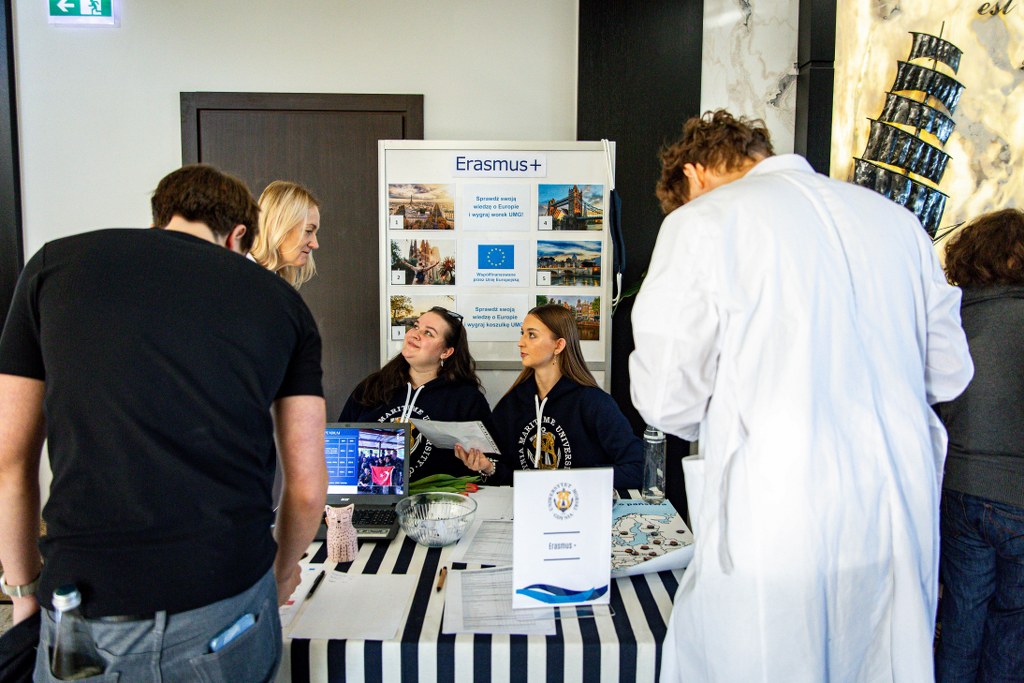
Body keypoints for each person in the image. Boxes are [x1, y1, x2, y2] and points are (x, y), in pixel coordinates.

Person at [628, 110, 973, 682]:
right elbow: (949, 371)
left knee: (769, 660)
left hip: (779, 510)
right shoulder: (897, 222)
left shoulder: (703, 222)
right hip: (894, 505)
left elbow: (667, 400)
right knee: (880, 660)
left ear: (693, 175)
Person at [0, 164, 328, 682]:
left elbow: (9, 461)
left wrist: (22, 591)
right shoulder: (280, 302)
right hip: (222, 594)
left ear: (159, 218)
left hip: (83, 598)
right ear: (238, 235)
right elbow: (307, 488)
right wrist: (282, 575)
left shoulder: (52, 266)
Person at [933, 208, 1024, 682]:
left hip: (959, 489)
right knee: (1012, 630)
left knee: (960, 621)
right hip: (1018, 498)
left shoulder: (950, 319)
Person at [475, 304, 642, 488]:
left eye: (532, 335)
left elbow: (638, 468)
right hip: (525, 504)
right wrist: (488, 467)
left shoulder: (593, 402)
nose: (521, 342)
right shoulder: (513, 402)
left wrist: (576, 479)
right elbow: (510, 474)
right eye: (522, 333)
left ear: (559, 345)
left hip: (575, 503)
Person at [339, 306, 494, 480]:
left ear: (446, 352)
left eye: (428, 333)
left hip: (438, 496)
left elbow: (495, 466)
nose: (414, 334)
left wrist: (485, 466)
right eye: (415, 326)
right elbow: (340, 443)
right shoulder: (373, 386)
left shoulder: (466, 399)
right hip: (373, 493)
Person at [250, 180, 321, 289]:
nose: (315, 244)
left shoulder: (275, 286)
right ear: (277, 225)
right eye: (308, 231)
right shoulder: (233, 277)